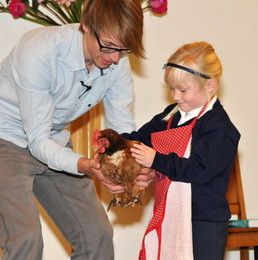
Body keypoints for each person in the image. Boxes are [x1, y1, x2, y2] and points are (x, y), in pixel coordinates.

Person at [0, 0, 155, 259]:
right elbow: (37, 139)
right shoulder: (39, 51)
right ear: (85, 25)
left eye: (124, 50)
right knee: (25, 241)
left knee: (97, 237)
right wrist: (85, 165)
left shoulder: (116, 61)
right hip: (6, 138)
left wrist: (132, 165)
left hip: (54, 141)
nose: (115, 58)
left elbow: (122, 128)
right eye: (108, 46)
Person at [121, 41, 241, 260]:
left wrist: (155, 159)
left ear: (210, 86)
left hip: (204, 222)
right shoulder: (171, 115)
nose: (175, 96)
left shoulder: (219, 126)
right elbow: (141, 137)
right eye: (171, 89)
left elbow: (199, 170)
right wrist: (117, 143)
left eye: (183, 90)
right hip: (170, 214)